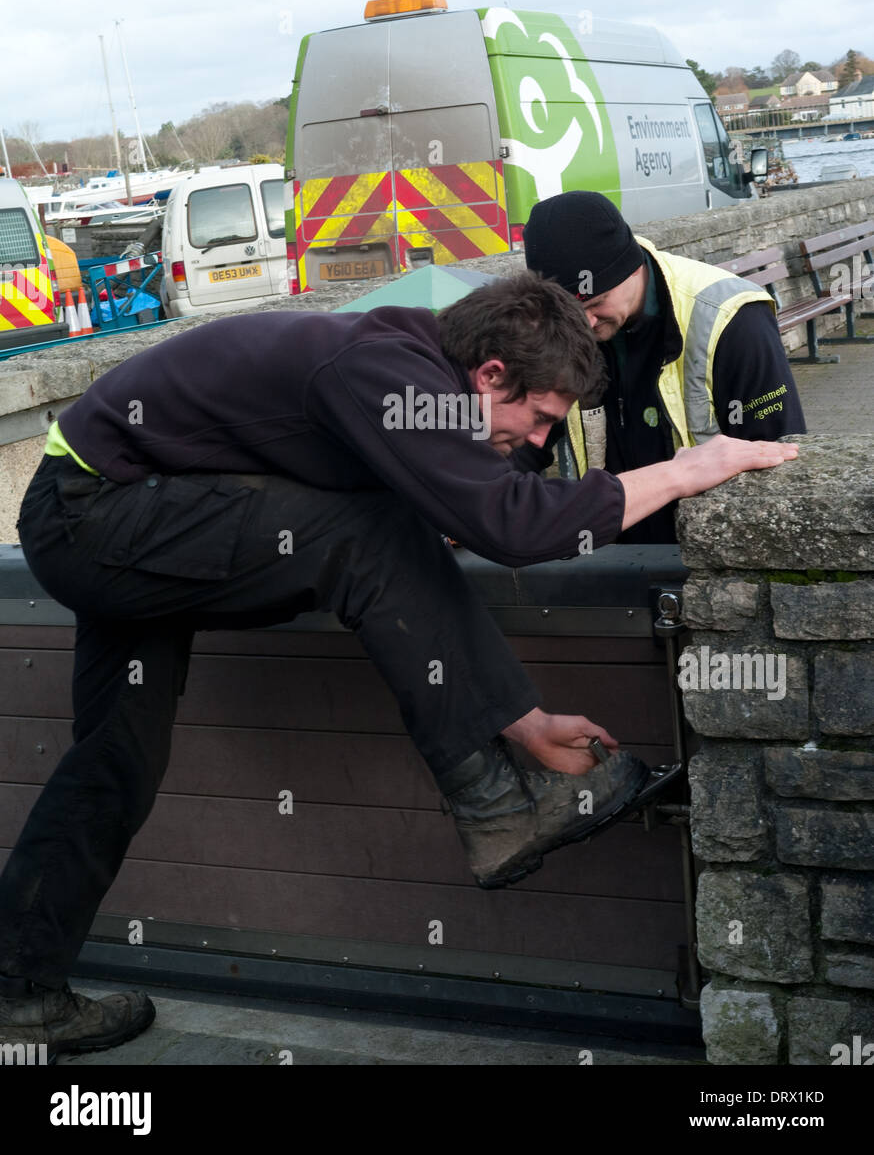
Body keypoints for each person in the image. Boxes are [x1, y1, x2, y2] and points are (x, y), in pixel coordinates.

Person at [0, 273, 798, 1060]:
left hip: (128, 514)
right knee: (370, 535)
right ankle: (496, 810)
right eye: (542, 417)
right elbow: (514, 528)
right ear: (489, 374)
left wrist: (524, 721)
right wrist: (692, 468)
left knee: (113, 763)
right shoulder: (384, 372)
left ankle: (20, 994)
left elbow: (452, 518)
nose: (542, 442)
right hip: (96, 514)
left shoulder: (420, 371)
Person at [524, 191, 806, 542]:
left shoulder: (733, 320)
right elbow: (522, 434)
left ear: (632, 268)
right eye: (568, 311)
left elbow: (778, 451)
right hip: (614, 549)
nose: (585, 324)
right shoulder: (561, 326)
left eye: (596, 304)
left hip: (709, 554)